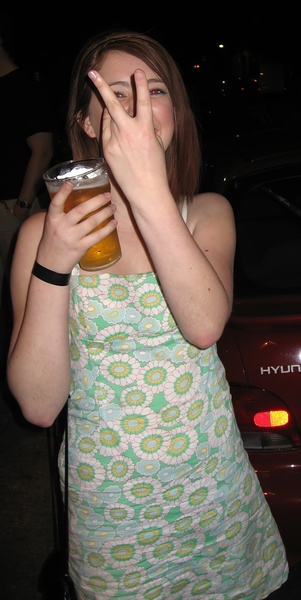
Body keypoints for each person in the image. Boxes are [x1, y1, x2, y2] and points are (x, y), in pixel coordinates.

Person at [7, 30, 289, 600]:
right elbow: (39, 406)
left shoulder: (207, 213)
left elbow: (204, 325)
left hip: (213, 492)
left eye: (154, 89)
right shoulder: (44, 234)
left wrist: (146, 188)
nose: (137, 106)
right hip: (112, 508)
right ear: (87, 123)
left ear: (175, 115)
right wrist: (55, 263)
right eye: (116, 93)